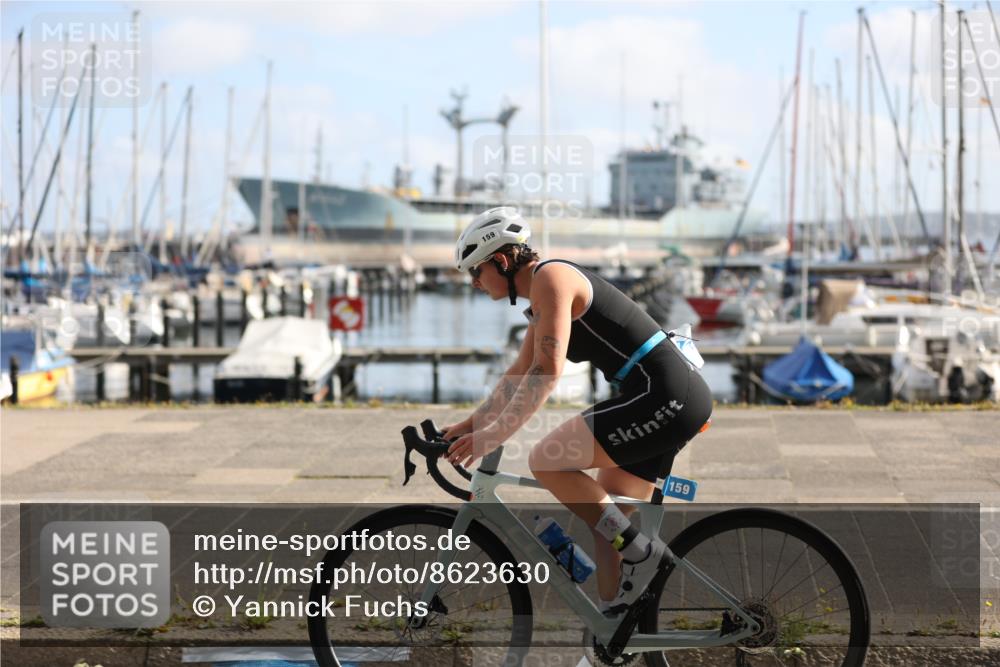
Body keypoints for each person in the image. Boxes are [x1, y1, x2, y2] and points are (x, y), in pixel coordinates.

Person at [443, 207, 713, 616]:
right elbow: (517, 375)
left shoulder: (552, 279)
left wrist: (494, 436)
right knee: (606, 528)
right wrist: (469, 426)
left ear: (500, 261)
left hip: (664, 395)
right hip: (660, 395)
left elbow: (546, 371)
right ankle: (615, 633)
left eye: (475, 272)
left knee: (546, 461)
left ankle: (643, 552)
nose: (475, 283)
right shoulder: (541, 293)